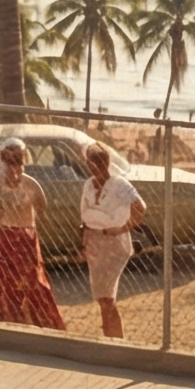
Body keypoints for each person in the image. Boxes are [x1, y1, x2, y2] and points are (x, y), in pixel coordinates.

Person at [0, 138, 66, 330]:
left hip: (25, 236)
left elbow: (42, 205)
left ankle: (36, 321)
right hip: (5, 236)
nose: (13, 168)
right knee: (5, 281)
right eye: (9, 162)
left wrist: (28, 220)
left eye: (17, 162)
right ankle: (8, 319)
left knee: (32, 280)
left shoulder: (30, 183)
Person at [80, 142, 145, 340]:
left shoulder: (119, 184)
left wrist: (123, 228)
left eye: (100, 162)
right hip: (93, 242)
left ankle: (116, 338)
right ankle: (110, 335)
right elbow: (83, 217)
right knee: (102, 297)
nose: (97, 167)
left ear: (107, 162)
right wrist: (81, 245)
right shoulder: (88, 185)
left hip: (113, 243)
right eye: (93, 163)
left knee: (107, 296)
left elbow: (140, 207)